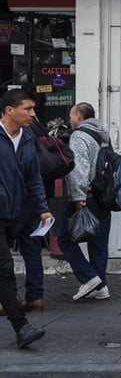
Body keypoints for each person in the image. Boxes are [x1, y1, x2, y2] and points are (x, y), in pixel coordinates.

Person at [0, 89, 50, 348]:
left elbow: (33, 177)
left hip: (17, 213)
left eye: (33, 109)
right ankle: (22, 328)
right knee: (6, 268)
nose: (33, 114)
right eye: (27, 109)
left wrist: (42, 208)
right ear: (10, 110)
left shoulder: (28, 138)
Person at [60, 102, 113, 301]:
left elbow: (79, 168)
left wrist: (78, 196)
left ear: (80, 116)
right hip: (102, 196)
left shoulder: (80, 135)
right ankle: (101, 287)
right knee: (98, 243)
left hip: (86, 196)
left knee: (64, 239)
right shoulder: (102, 134)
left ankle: (89, 277)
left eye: (71, 115)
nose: (70, 119)